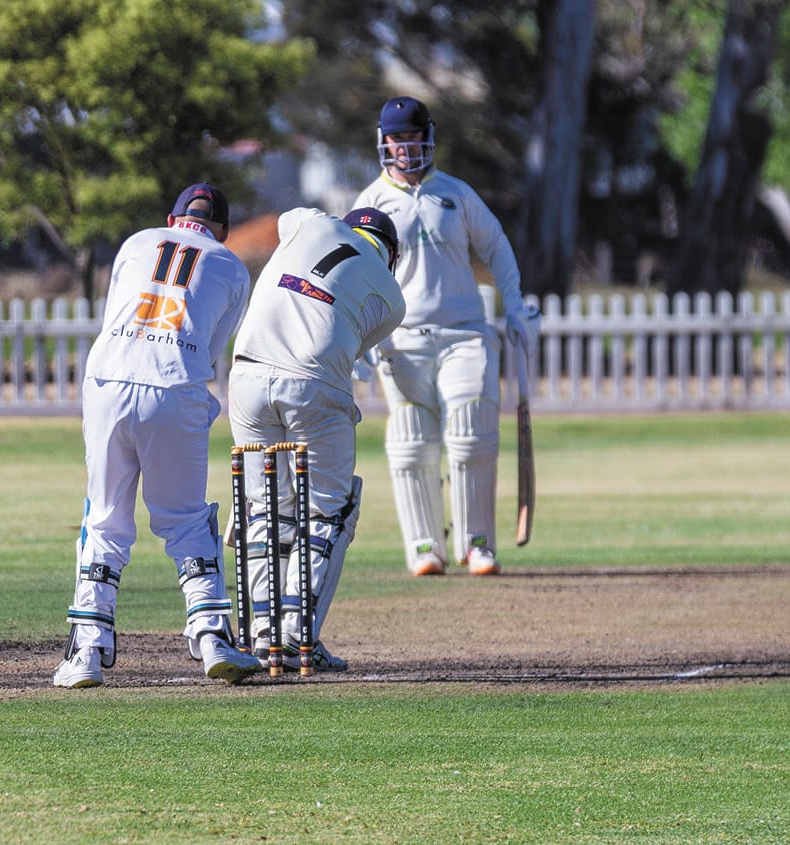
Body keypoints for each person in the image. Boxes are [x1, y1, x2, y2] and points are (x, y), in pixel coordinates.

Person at [54, 183, 262, 688]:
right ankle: (212, 635)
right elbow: (212, 348)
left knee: (105, 517)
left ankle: (88, 649)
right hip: (174, 384)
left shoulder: (136, 242)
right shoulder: (232, 265)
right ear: (223, 231)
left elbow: (115, 318)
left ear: (172, 220)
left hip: (108, 380)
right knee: (186, 520)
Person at [352, 95, 539, 577]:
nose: (406, 148)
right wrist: (357, 339)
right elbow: (355, 274)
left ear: (427, 138)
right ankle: (424, 547)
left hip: (465, 332)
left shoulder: (455, 193)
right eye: (397, 139)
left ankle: (477, 543)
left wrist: (515, 306)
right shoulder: (371, 203)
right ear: (383, 143)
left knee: (473, 429)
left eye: (413, 138)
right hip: (402, 336)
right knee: (412, 440)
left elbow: (496, 247)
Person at [227, 206, 406, 671]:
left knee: (266, 507)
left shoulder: (310, 220)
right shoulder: (393, 296)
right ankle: (295, 636)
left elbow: (285, 222)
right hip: (314, 381)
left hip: (245, 374)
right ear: (391, 255)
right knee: (329, 509)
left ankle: (261, 635)